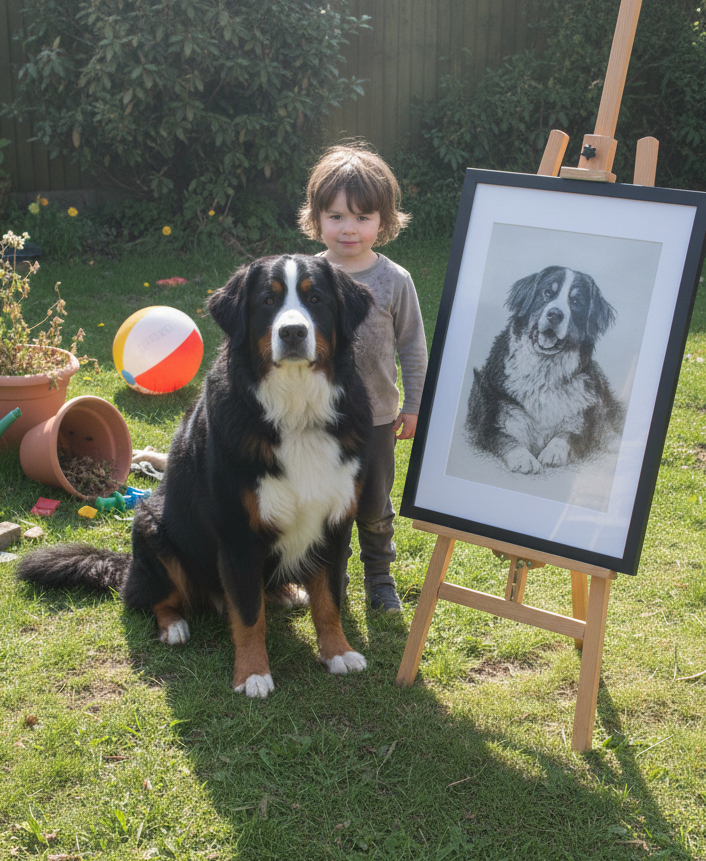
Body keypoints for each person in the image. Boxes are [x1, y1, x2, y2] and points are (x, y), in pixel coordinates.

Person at [298, 144, 428, 612]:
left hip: (375, 418)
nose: (348, 228)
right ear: (316, 218)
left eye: (362, 217)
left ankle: (379, 577)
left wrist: (413, 405)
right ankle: (332, 577)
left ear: (383, 222)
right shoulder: (305, 279)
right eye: (335, 216)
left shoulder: (396, 281)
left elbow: (413, 347)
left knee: (372, 506)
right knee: (323, 505)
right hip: (315, 419)